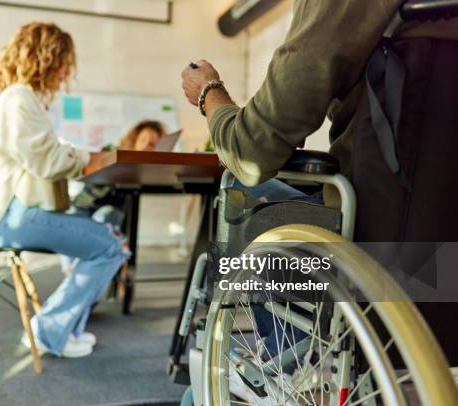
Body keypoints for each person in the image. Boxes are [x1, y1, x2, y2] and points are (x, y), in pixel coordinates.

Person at [181, 0, 458, 372]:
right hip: (443, 256)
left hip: (391, 252)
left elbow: (252, 150)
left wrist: (209, 94)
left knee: (251, 194)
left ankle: (291, 368)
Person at [0, 22, 129, 358]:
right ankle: (48, 331)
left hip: (14, 213)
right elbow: (47, 160)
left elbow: (45, 154)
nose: (65, 73)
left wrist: (78, 155)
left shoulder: (21, 100)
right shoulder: (19, 99)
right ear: (45, 58)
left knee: (102, 238)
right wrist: (91, 157)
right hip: (12, 216)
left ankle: (66, 329)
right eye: (63, 63)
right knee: (108, 246)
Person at [61, 120, 166, 274]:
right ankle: (72, 272)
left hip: (110, 209)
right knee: (67, 222)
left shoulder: (146, 170)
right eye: (143, 140)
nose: (146, 146)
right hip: (85, 203)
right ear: (134, 139)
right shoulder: (113, 150)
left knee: (103, 219)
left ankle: (77, 272)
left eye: (152, 144)